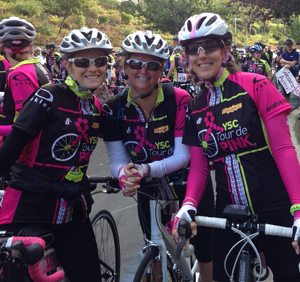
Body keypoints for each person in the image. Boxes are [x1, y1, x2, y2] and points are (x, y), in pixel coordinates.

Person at [172, 12, 300, 282]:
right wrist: (188, 204)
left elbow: (283, 150)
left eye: (210, 45)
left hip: (275, 208)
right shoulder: (196, 106)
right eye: (194, 49)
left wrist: (298, 208)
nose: (202, 54)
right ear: (187, 56)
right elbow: (199, 166)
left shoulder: (256, 85)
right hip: (228, 213)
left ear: (225, 49)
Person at [0, 26, 112, 282]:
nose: (92, 68)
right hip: (29, 207)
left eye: (100, 61)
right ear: (67, 65)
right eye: (83, 61)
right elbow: (9, 151)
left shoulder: (95, 106)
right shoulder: (47, 96)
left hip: (72, 211)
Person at [101, 30, 214, 282]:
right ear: (124, 65)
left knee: (206, 248)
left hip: (186, 182)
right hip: (148, 188)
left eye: (152, 65)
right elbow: (117, 158)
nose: (143, 71)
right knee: (152, 245)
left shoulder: (179, 99)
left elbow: (182, 156)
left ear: (163, 68)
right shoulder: (114, 107)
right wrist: (124, 175)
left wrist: (144, 169)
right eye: (135, 63)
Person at [0, 17, 52, 129]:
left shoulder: (19, 74)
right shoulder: (38, 66)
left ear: (3, 47)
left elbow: (25, 125)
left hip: (24, 145)